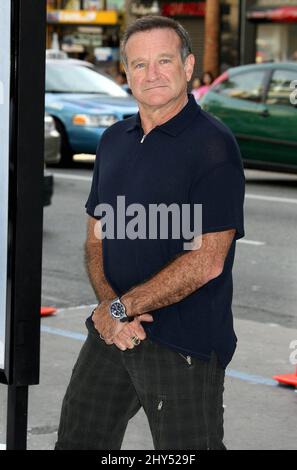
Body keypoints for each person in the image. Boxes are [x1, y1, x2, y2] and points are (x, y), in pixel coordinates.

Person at [55, 15, 245, 450]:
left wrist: (121, 309)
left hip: (184, 344)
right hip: (113, 330)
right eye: (139, 65)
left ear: (188, 65)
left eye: (163, 60)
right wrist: (110, 310)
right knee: (77, 440)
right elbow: (96, 235)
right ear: (126, 73)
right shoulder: (113, 140)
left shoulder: (213, 145)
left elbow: (207, 260)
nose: (152, 74)